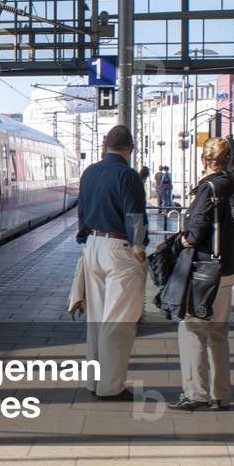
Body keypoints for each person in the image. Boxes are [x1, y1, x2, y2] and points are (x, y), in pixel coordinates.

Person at [169, 137, 234, 411]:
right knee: (218, 333)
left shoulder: (209, 188)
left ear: (204, 160)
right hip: (229, 268)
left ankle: (196, 394)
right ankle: (220, 394)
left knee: (192, 329)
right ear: (229, 160)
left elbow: (196, 231)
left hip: (206, 272)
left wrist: (183, 241)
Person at [76, 125, 148, 401]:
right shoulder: (128, 175)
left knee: (96, 319)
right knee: (118, 319)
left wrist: (85, 238)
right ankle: (111, 386)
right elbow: (134, 214)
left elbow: (82, 211)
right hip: (119, 249)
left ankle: (94, 381)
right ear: (130, 148)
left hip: (92, 246)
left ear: (105, 145)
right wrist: (139, 244)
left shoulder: (89, 172)